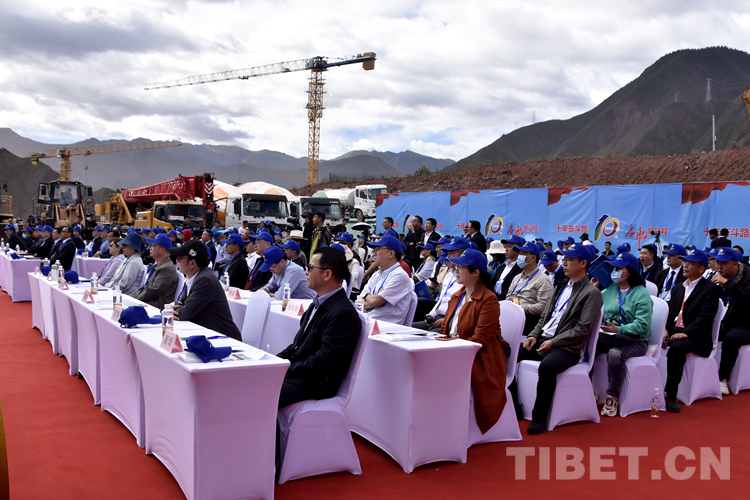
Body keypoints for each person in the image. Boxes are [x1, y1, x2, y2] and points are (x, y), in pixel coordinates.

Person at [516, 244, 602, 434]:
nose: (564, 263)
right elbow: (545, 316)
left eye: (569, 260)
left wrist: (554, 342)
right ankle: (516, 406)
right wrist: (533, 335)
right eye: (564, 259)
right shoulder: (561, 285)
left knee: (547, 367)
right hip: (545, 339)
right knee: (509, 354)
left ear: (583, 263)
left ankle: (539, 417)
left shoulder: (591, 293)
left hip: (568, 348)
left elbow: (583, 329)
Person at [276, 247, 361, 408]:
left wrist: (288, 369)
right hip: (301, 375)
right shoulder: (317, 303)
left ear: (327, 274)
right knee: (255, 381)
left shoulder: (342, 313)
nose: (306, 272)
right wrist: (276, 362)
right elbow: (297, 346)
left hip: (315, 383)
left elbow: (326, 360)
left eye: (310, 267)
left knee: (259, 392)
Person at [440, 249, 509, 433]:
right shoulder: (458, 295)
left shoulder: (489, 299)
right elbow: (445, 328)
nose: (455, 270)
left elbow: (479, 340)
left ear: (476, 272)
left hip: (480, 357)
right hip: (455, 349)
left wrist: (448, 347)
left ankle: (450, 425)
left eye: (461, 267)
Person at [594, 252, 653, 417]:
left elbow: (642, 325)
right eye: (614, 268)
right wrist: (594, 289)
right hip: (612, 336)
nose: (615, 272)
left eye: (619, 268)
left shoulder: (641, 294)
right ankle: (589, 388)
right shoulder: (611, 289)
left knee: (614, 354)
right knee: (588, 344)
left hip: (636, 341)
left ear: (630, 272)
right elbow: (595, 305)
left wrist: (618, 329)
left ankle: (612, 396)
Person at [662, 249, 721, 412]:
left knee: (677, 349)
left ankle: (671, 394)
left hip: (697, 335)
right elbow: (670, 313)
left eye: (690, 263)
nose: (686, 266)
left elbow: (705, 317)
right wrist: (665, 329)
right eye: (685, 262)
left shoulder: (710, 289)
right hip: (676, 329)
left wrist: (686, 333)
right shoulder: (678, 288)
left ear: (701, 269)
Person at [172, 240, 242, 341]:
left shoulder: (204, 280)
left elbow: (184, 313)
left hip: (224, 340)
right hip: (209, 336)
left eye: (179, 258)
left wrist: (172, 311)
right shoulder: (195, 277)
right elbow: (180, 304)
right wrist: (174, 309)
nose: (176, 261)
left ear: (192, 263)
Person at [713, 248, 750, 395]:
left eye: (724, 263)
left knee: (731, 338)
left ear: (735, 264)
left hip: (744, 324)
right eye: (718, 262)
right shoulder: (715, 277)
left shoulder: (747, 276)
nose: (719, 266)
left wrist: (727, 284)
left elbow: (747, 297)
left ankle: (722, 378)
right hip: (722, 322)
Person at [360, 234, 415, 323]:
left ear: (391, 253)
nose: (374, 253)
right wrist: (373, 299)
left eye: (378, 250)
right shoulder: (377, 274)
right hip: (367, 321)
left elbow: (375, 301)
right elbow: (360, 301)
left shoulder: (400, 275)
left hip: (383, 326)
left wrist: (368, 297)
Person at [506, 242, 554, 336]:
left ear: (533, 258)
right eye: (519, 253)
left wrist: (520, 308)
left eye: (523, 253)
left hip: (529, 322)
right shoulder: (517, 278)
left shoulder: (543, 280)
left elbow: (544, 307)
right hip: (512, 318)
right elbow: (508, 297)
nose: (519, 256)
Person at [130, 234, 178, 310]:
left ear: (162, 250)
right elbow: (146, 287)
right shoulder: (158, 265)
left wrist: (134, 300)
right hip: (147, 302)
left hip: (154, 307)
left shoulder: (167, 268)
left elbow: (153, 291)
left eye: (153, 246)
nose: (150, 248)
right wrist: (131, 298)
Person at [491, 234, 525, 300]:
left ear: (519, 249)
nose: (506, 249)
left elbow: (515, 290)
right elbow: (492, 283)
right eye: (506, 247)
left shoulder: (522, 269)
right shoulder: (501, 267)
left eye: (509, 247)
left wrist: (497, 298)